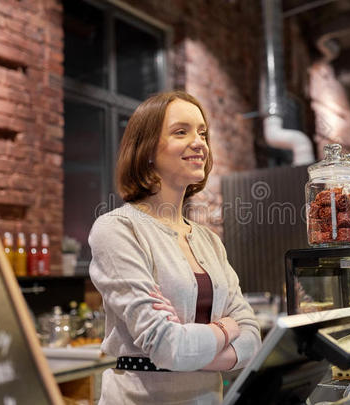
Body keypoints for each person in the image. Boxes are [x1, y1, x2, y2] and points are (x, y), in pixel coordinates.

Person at [88, 91, 262, 404]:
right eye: (181, 132)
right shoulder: (117, 229)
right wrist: (226, 328)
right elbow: (169, 346)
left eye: (202, 133)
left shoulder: (209, 242)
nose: (199, 143)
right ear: (147, 150)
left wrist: (189, 351)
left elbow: (252, 336)